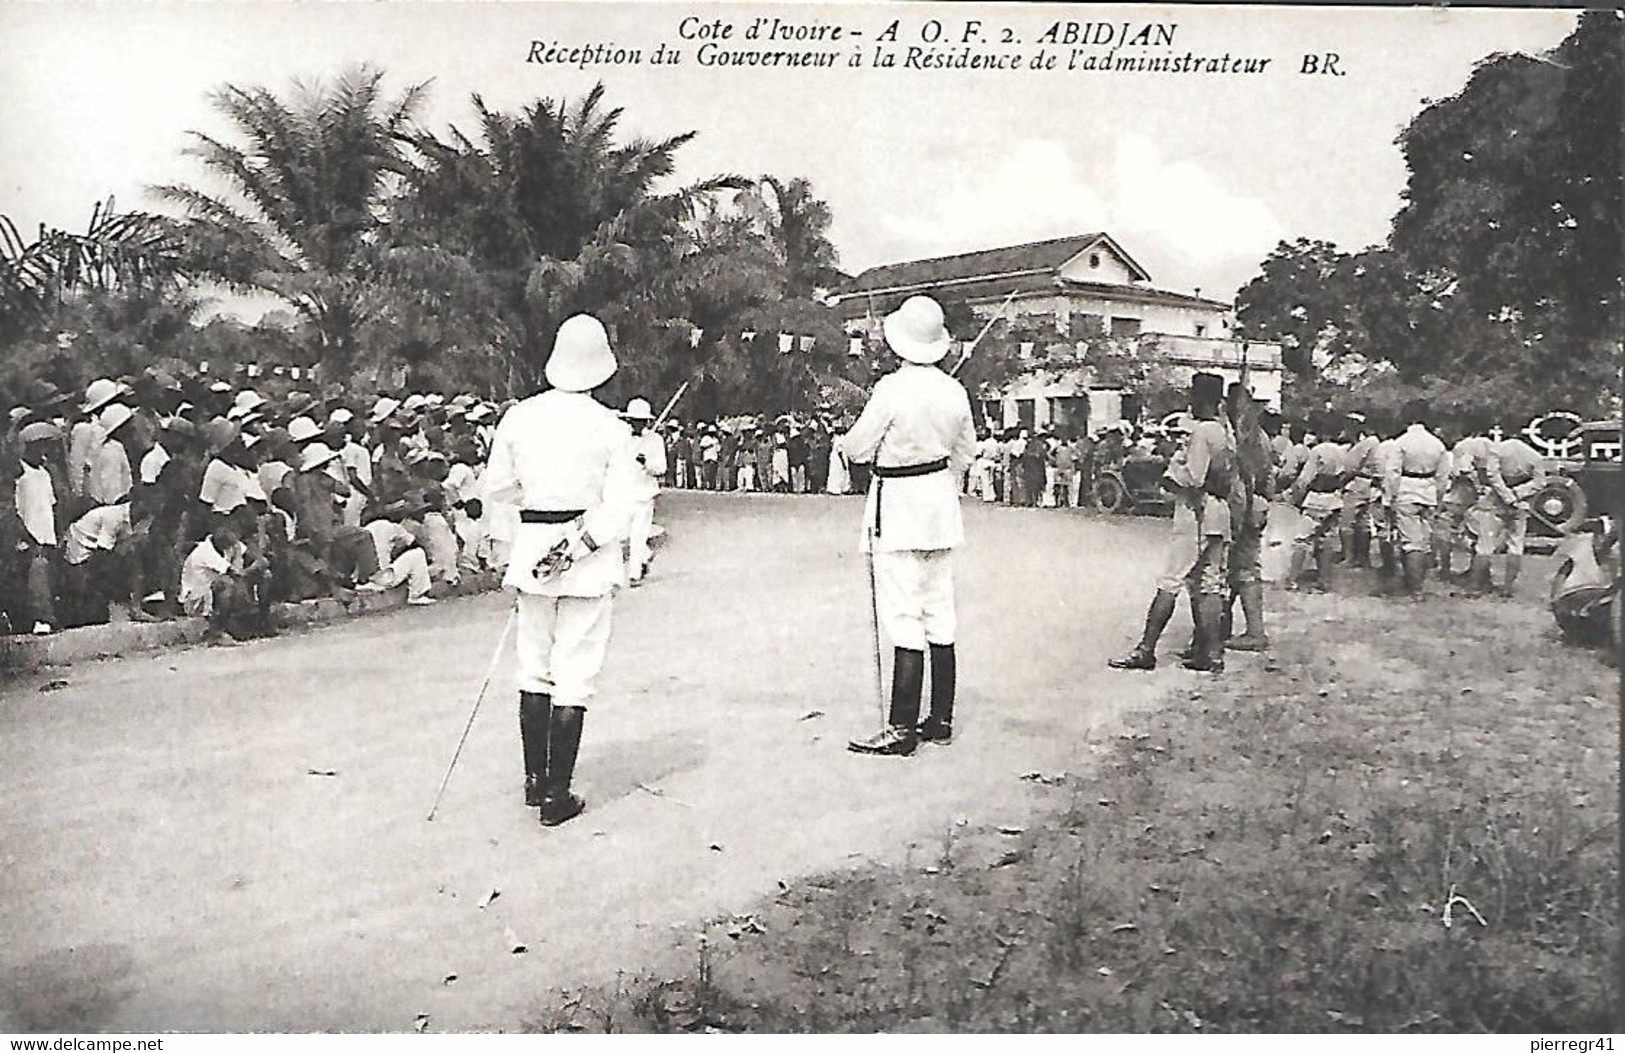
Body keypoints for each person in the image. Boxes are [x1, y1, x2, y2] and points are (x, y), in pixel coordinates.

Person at [482, 314, 640, 826]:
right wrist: (579, 543)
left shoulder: (519, 418)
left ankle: (534, 780)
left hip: (532, 551)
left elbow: (500, 490)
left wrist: (526, 537)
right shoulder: (611, 428)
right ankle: (556, 793)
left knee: (533, 664)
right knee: (576, 672)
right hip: (587, 559)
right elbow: (621, 508)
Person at [840, 295, 977, 756]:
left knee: (903, 614)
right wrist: (943, 486)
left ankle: (900, 728)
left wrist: (845, 442)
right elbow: (966, 452)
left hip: (898, 504)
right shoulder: (954, 391)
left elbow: (859, 449)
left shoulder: (891, 389)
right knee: (939, 610)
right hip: (939, 502)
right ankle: (940, 718)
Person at [1109, 373, 1236, 673]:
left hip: (1196, 509)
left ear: (1200, 399)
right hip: (1219, 510)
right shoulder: (1224, 431)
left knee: (1171, 580)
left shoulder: (1202, 432)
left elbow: (1194, 478)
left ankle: (1146, 650)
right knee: (1209, 583)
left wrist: (1170, 477)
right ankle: (1212, 654)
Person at [1383, 400, 1451, 597]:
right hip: (1428, 491)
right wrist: (1437, 498)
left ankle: (1415, 589)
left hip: (1406, 490)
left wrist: (1389, 498)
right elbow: (1443, 475)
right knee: (1423, 540)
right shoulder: (1437, 444)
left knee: (1410, 542)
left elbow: (1393, 472)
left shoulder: (1401, 443)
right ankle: (1414, 583)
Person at [1471, 432, 1547, 597]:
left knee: (1484, 545)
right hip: (1521, 502)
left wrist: (1507, 495)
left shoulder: (1497, 451)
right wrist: (1518, 493)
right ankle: (1507, 588)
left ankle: (1476, 588)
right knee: (1516, 545)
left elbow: (1492, 475)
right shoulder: (1534, 456)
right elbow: (1540, 482)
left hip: (1496, 501)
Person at [1286, 416, 1351, 591]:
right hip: (1334, 498)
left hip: (1317, 496)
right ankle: (1325, 580)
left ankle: (1292, 579)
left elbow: (1305, 478)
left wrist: (1292, 495)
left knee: (1302, 539)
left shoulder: (1318, 450)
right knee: (1326, 540)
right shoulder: (1344, 451)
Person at [622, 397, 667, 584]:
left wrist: (646, 462)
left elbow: (661, 468)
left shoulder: (655, 440)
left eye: (640, 421)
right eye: (633, 420)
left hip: (644, 494)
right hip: (624, 493)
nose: (637, 424)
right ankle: (645, 555)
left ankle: (634, 575)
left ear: (647, 421)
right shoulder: (622, 439)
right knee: (622, 533)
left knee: (639, 535)